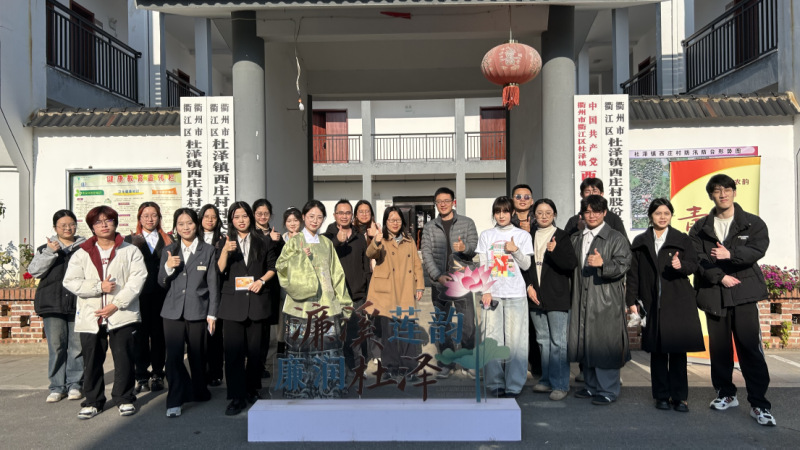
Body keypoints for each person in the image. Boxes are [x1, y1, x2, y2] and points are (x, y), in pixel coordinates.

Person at [689, 174, 775, 426]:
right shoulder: (700, 227)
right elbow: (697, 258)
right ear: (711, 195)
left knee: (749, 347)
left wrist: (731, 254)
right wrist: (720, 277)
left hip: (743, 292)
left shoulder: (752, 223)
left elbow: (758, 249)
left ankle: (759, 403)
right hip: (714, 293)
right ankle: (726, 393)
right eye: (717, 190)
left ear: (734, 192)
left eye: (727, 189)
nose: (723, 194)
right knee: (719, 348)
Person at [63, 206, 147, 419]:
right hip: (91, 315)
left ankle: (124, 398)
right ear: (92, 227)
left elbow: (137, 280)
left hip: (122, 313)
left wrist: (116, 304)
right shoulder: (82, 253)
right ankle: (93, 401)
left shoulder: (130, 251)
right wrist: (98, 287)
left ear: (115, 223)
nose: (104, 225)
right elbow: (70, 281)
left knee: (124, 358)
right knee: (91, 360)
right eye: (98, 222)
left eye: (108, 220)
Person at [627, 198, 704, 412]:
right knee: (658, 351)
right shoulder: (640, 241)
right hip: (652, 303)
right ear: (651, 216)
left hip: (678, 302)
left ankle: (680, 397)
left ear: (671, 215)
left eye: (666, 213)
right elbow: (633, 274)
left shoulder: (681, 239)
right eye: (658, 213)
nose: (662, 217)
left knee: (678, 352)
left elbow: (693, 265)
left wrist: (681, 265)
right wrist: (631, 301)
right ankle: (661, 395)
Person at [276, 200, 353, 398]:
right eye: (311, 216)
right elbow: (281, 269)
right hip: (299, 308)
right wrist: (299, 257)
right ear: (303, 217)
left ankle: (328, 393)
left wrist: (344, 303)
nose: (315, 221)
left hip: (326, 306)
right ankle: (300, 394)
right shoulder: (294, 242)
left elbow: (337, 275)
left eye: (319, 217)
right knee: (300, 352)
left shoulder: (327, 243)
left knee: (328, 352)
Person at [215, 201, 278, 416]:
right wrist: (225, 251)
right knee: (233, 354)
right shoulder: (224, 242)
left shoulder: (263, 240)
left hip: (257, 302)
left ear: (250, 217)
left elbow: (273, 267)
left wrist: (261, 281)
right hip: (232, 305)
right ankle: (236, 396)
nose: (241, 220)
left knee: (255, 352)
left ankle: (252, 389)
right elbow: (219, 270)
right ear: (231, 220)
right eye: (236, 217)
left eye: (244, 216)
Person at [568, 195, 632, 405]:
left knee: (605, 343)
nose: (592, 215)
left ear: (604, 213)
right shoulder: (577, 238)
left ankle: (607, 389)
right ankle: (591, 386)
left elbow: (624, 265)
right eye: (587, 211)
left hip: (606, 299)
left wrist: (603, 264)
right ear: (582, 215)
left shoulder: (615, 237)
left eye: (596, 211)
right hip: (582, 297)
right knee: (586, 341)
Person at [158, 208, 220, 418]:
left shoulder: (208, 250)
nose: (185, 227)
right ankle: (175, 400)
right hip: (172, 312)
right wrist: (168, 267)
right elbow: (161, 281)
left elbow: (213, 285)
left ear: (197, 224)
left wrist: (212, 314)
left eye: (190, 223)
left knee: (197, 356)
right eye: (181, 224)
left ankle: (199, 390)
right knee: (173, 357)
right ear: (175, 227)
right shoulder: (169, 250)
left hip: (198, 311)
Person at [477, 196, 534, 398]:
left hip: (516, 294)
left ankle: (514, 385)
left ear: (512, 213)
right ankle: (495, 383)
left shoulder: (522, 235)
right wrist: (485, 290)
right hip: (492, 295)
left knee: (516, 342)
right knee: (492, 339)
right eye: (497, 211)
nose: (501, 215)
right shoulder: (486, 235)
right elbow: (483, 265)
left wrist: (515, 250)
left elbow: (526, 265)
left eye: (505, 211)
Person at [28, 209, 87, 403]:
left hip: (78, 303)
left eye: (71, 224)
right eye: (63, 225)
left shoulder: (85, 247)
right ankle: (57, 387)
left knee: (77, 347)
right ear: (55, 228)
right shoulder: (45, 248)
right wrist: (50, 252)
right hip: (52, 304)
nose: (68, 228)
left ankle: (75, 384)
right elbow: (34, 271)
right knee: (56, 347)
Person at [420, 187, 478, 379]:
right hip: (440, 284)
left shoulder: (467, 223)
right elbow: (426, 253)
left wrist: (465, 247)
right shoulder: (429, 227)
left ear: (453, 202)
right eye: (439, 201)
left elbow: (474, 247)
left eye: (446, 200)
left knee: (467, 325)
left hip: (462, 281)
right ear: (435, 204)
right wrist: (437, 276)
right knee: (442, 324)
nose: (443, 204)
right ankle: (447, 362)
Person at [523, 199, 578, 401]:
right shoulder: (528, 236)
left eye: (548, 212)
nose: (544, 216)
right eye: (540, 212)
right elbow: (524, 265)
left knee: (558, 342)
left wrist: (555, 252)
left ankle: (561, 384)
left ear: (554, 214)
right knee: (543, 340)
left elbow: (570, 264)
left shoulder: (562, 236)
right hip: (535, 296)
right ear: (533, 216)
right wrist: (528, 286)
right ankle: (546, 380)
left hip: (556, 296)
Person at [364, 206, 425, 380]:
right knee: (389, 333)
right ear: (386, 222)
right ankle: (390, 367)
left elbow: (416, 264)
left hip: (405, 288)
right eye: (391, 220)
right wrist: (375, 240)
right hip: (387, 291)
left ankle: (409, 368)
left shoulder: (409, 240)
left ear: (402, 221)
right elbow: (370, 253)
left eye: (398, 219)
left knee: (407, 330)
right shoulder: (381, 238)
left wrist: (419, 286)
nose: (395, 223)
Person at [125, 202, 173, 393]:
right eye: (146, 215)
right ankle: (141, 375)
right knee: (140, 337)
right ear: (139, 218)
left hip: (162, 295)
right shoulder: (130, 240)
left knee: (159, 336)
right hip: (138, 296)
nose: (150, 219)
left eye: (154, 215)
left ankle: (158, 374)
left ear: (159, 218)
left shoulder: (168, 239)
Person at [323, 199, 371, 372]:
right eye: (341, 213)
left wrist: (367, 290)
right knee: (337, 333)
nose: (344, 216)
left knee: (356, 331)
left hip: (357, 293)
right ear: (335, 215)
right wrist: (336, 241)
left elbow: (366, 265)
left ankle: (357, 364)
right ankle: (341, 365)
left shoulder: (359, 237)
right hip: (335, 295)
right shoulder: (327, 237)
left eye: (347, 213)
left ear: (352, 215)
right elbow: (323, 260)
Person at [510, 184, 542, 378]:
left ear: (532, 200)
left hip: (536, 278)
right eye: (518, 196)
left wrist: (530, 233)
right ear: (512, 199)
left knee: (536, 325)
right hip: (514, 280)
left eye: (526, 196)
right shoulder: (507, 221)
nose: (522, 200)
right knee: (515, 328)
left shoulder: (540, 220)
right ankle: (516, 366)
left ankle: (537, 367)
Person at [253, 198, 283, 379]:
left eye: (266, 213)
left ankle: (261, 364)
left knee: (266, 330)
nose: (263, 217)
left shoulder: (276, 235)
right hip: (253, 286)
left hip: (270, 286)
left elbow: (281, 261)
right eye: (259, 213)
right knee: (255, 330)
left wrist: (276, 242)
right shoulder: (250, 234)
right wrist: (268, 241)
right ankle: (253, 364)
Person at [199, 204, 224, 387]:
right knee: (200, 336)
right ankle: (202, 372)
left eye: (213, 217)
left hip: (217, 290)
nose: (210, 220)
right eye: (206, 216)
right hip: (199, 292)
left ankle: (216, 372)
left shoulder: (222, 239)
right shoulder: (193, 239)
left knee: (215, 334)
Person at [564, 178, 629, 241]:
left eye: (595, 191)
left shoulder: (613, 219)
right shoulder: (573, 221)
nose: (591, 194)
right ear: (581, 195)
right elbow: (566, 244)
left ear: (601, 194)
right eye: (587, 191)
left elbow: (624, 243)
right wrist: (579, 230)